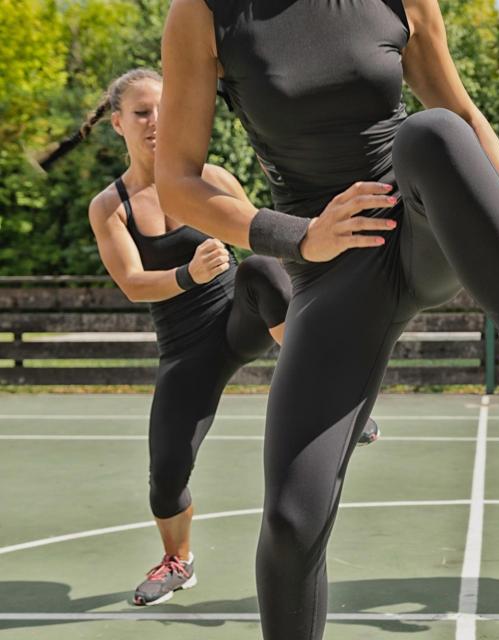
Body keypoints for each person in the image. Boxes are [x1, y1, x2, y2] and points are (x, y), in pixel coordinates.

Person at [156, 0, 499, 636]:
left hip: (420, 231)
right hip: (330, 270)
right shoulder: (205, 13)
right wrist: (300, 236)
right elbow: (176, 182)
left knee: (429, 132)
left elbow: (464, 115)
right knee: (290, 523)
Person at [39, 68, 378, 607]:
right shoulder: (111, 206)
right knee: (166, 475)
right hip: (185, 348)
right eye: (143, 113)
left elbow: (262, 237)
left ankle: (328, 394)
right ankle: (178, 562)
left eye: (165, 110)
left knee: (263, 271)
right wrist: (187, 275)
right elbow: (131, 283)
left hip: (237, 318)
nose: (156, 122)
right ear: (118, 124)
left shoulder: (211, 179)